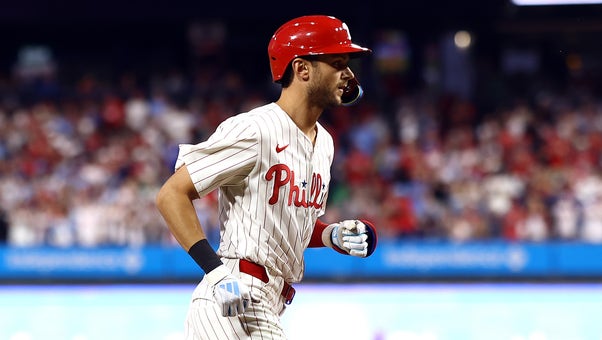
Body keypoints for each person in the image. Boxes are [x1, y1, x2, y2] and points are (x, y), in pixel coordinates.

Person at [155, 14, 378, 339]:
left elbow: (292, 224)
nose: (348, 74)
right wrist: (216, 272)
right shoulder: (255, 129)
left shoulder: (325, 143)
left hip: (269, 299)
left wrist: (332, 235)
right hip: (235, 295)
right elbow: (172, 194)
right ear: (302, 69)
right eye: (337, 62)